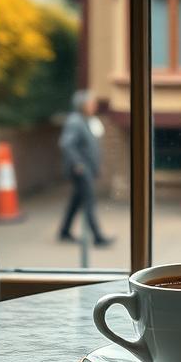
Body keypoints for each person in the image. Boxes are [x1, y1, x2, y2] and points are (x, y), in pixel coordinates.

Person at [58, 90, 113, 246]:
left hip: (87, 168)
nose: (94, 105)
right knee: (89, 202)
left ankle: (64, 231)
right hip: (81, 170)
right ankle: (98, 237)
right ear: (82, 105)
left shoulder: (86, 120)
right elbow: (66, 144)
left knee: (76, 201)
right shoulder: (75, 121)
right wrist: (78, 164)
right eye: (91, 103)